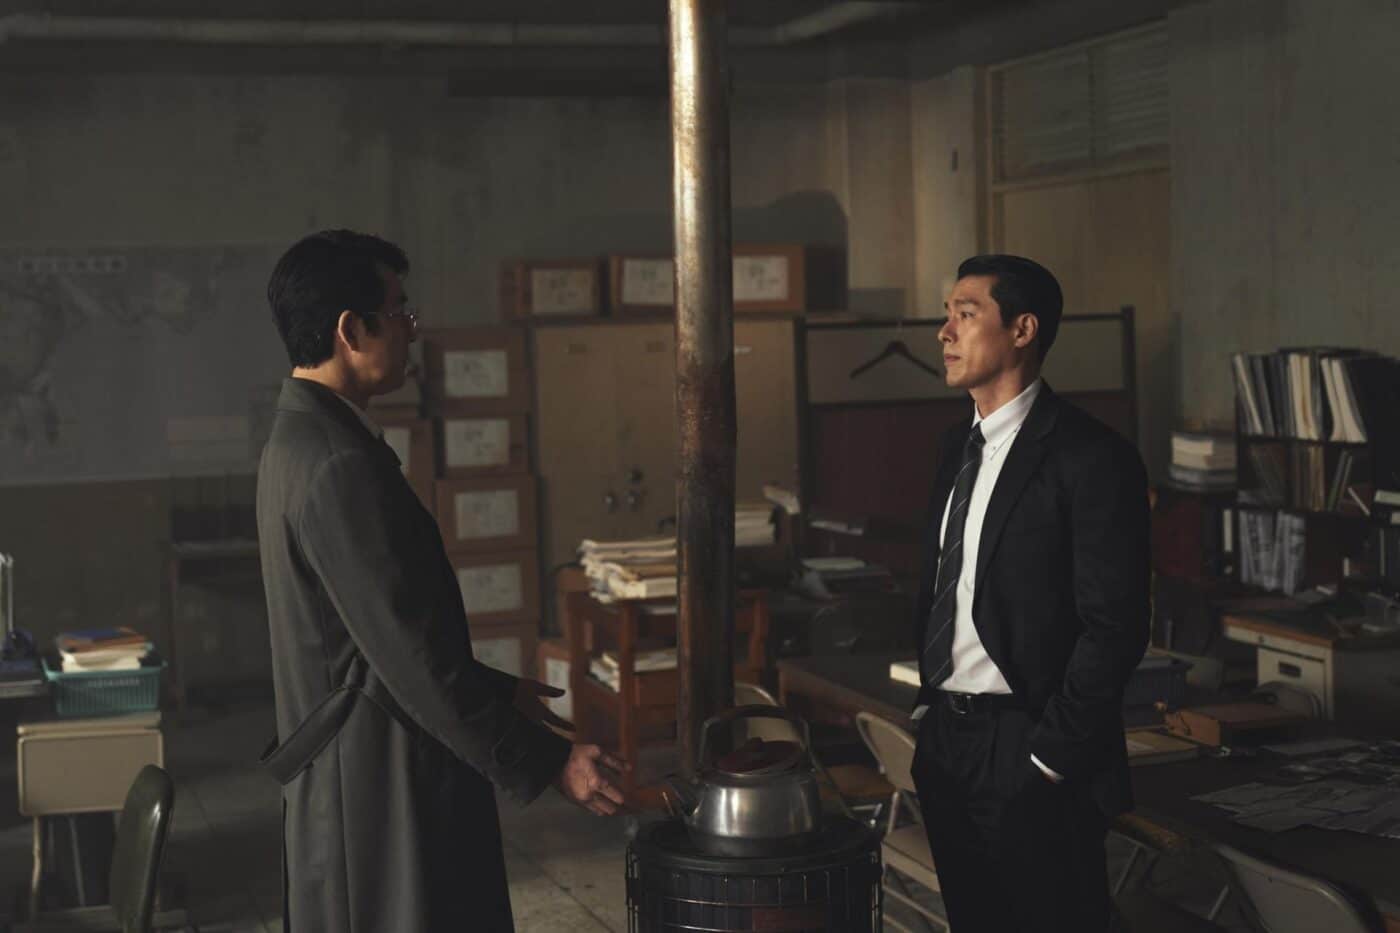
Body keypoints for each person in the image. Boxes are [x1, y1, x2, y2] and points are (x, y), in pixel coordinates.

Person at [257, 229, 625, 932]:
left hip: (362, 764)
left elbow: (366, 637)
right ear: (350, 331)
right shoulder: (337, 463)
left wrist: (497, 690)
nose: (412, 328)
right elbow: (408, 658)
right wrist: (548, 761)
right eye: (398, 311)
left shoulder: (299, 439)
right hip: (379, 781)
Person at [910, 255, 1150, 932]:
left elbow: (1116, 626)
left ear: (1022, 329)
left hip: (1030, 744)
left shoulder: (1090, 455)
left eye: (965, 314)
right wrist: (930, 719)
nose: (944, 332)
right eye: (947, 315)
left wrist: (1048, 759)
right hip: (949, 742)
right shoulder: (955, 446)